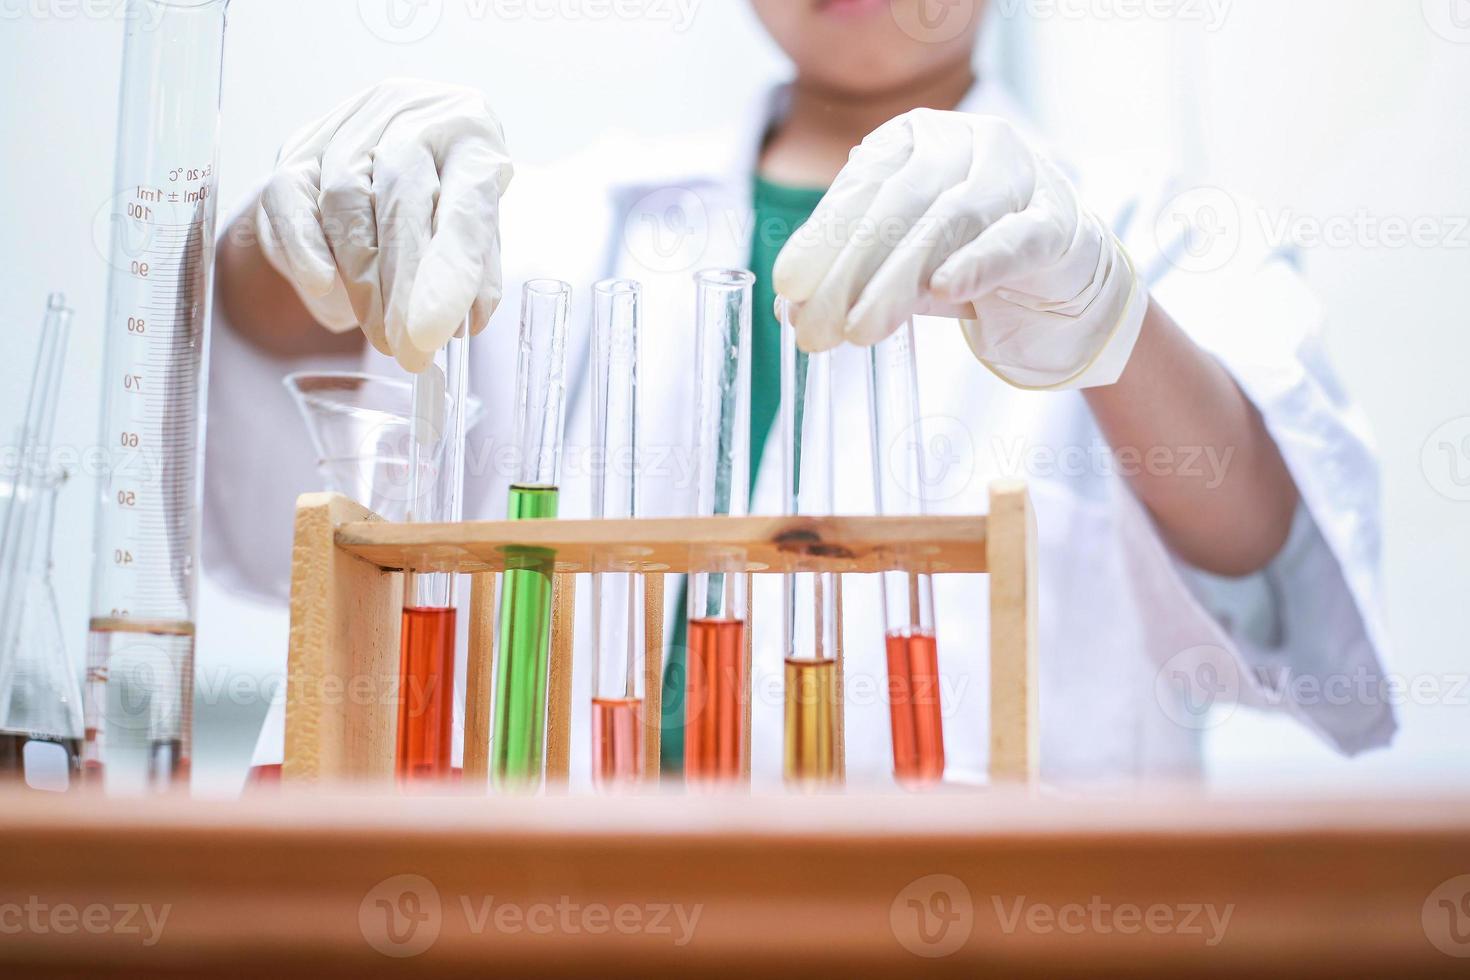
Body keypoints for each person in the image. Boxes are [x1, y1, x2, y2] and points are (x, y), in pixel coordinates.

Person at [208, 0, 1394, 786]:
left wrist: (1112, 319)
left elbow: (1279, 563)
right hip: (551, 913)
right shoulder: (560, 228)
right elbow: (289, 467)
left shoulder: (1149, 232)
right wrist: (287, 240)